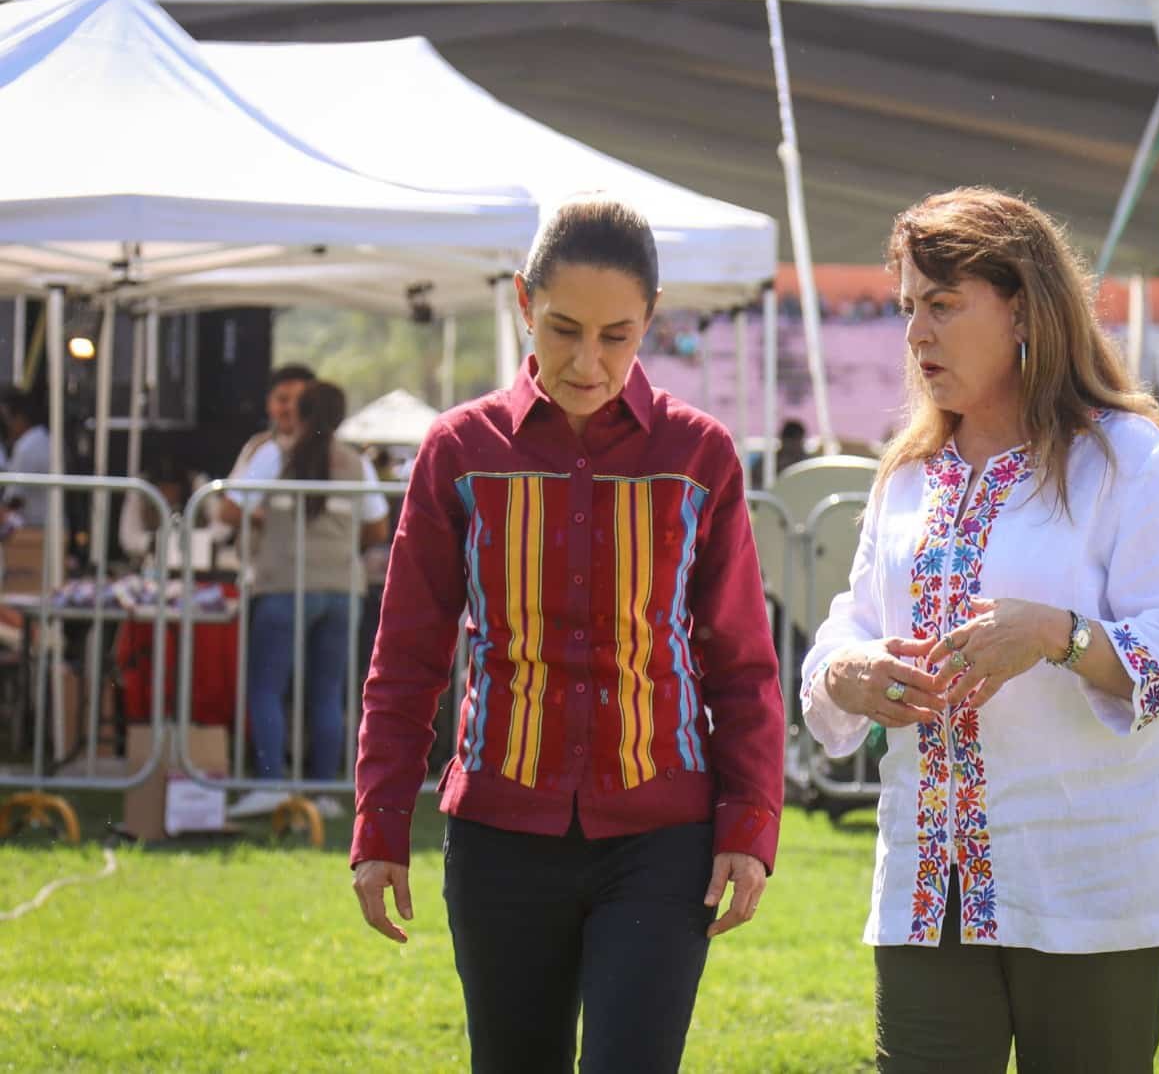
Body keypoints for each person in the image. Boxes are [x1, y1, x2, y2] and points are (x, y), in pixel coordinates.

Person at [349, 196, 785, 1074]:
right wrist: (381, 820)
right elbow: (407, 655)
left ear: (651, 321)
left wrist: (750, 821)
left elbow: (741, 657)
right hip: (500, 835)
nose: (590, 361)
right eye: (564, 329)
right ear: (522, 303)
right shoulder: (457, 451)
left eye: (618, 335)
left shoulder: (700, 455)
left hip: (665, 834)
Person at [801, 188, 1159, 1074]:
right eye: (908, 307)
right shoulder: (909, 479)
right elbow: (850, 627)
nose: (916, 334)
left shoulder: (1126, 458)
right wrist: (849, 671)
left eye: (945, 305)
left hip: (1087, 878)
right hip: (929, 875)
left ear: (1025, 307)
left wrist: (1057, 635)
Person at [220, 381, 390, 819]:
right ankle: (325, 791)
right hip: (340, 588)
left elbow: (228, 510)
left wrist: (265, 520)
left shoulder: (275, 455)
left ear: (300, 411)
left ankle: (271, 783)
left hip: (283, 584)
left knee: (267, 688)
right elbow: (376, 527)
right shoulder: (357, 463)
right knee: (328, 692)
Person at [0, 386, 52, 529]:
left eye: (6, 420)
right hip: (48, 525)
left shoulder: (27, 446)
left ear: (20, 418)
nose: (6, 428)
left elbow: (14, 501)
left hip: (36, 530)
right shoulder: (44, 438)